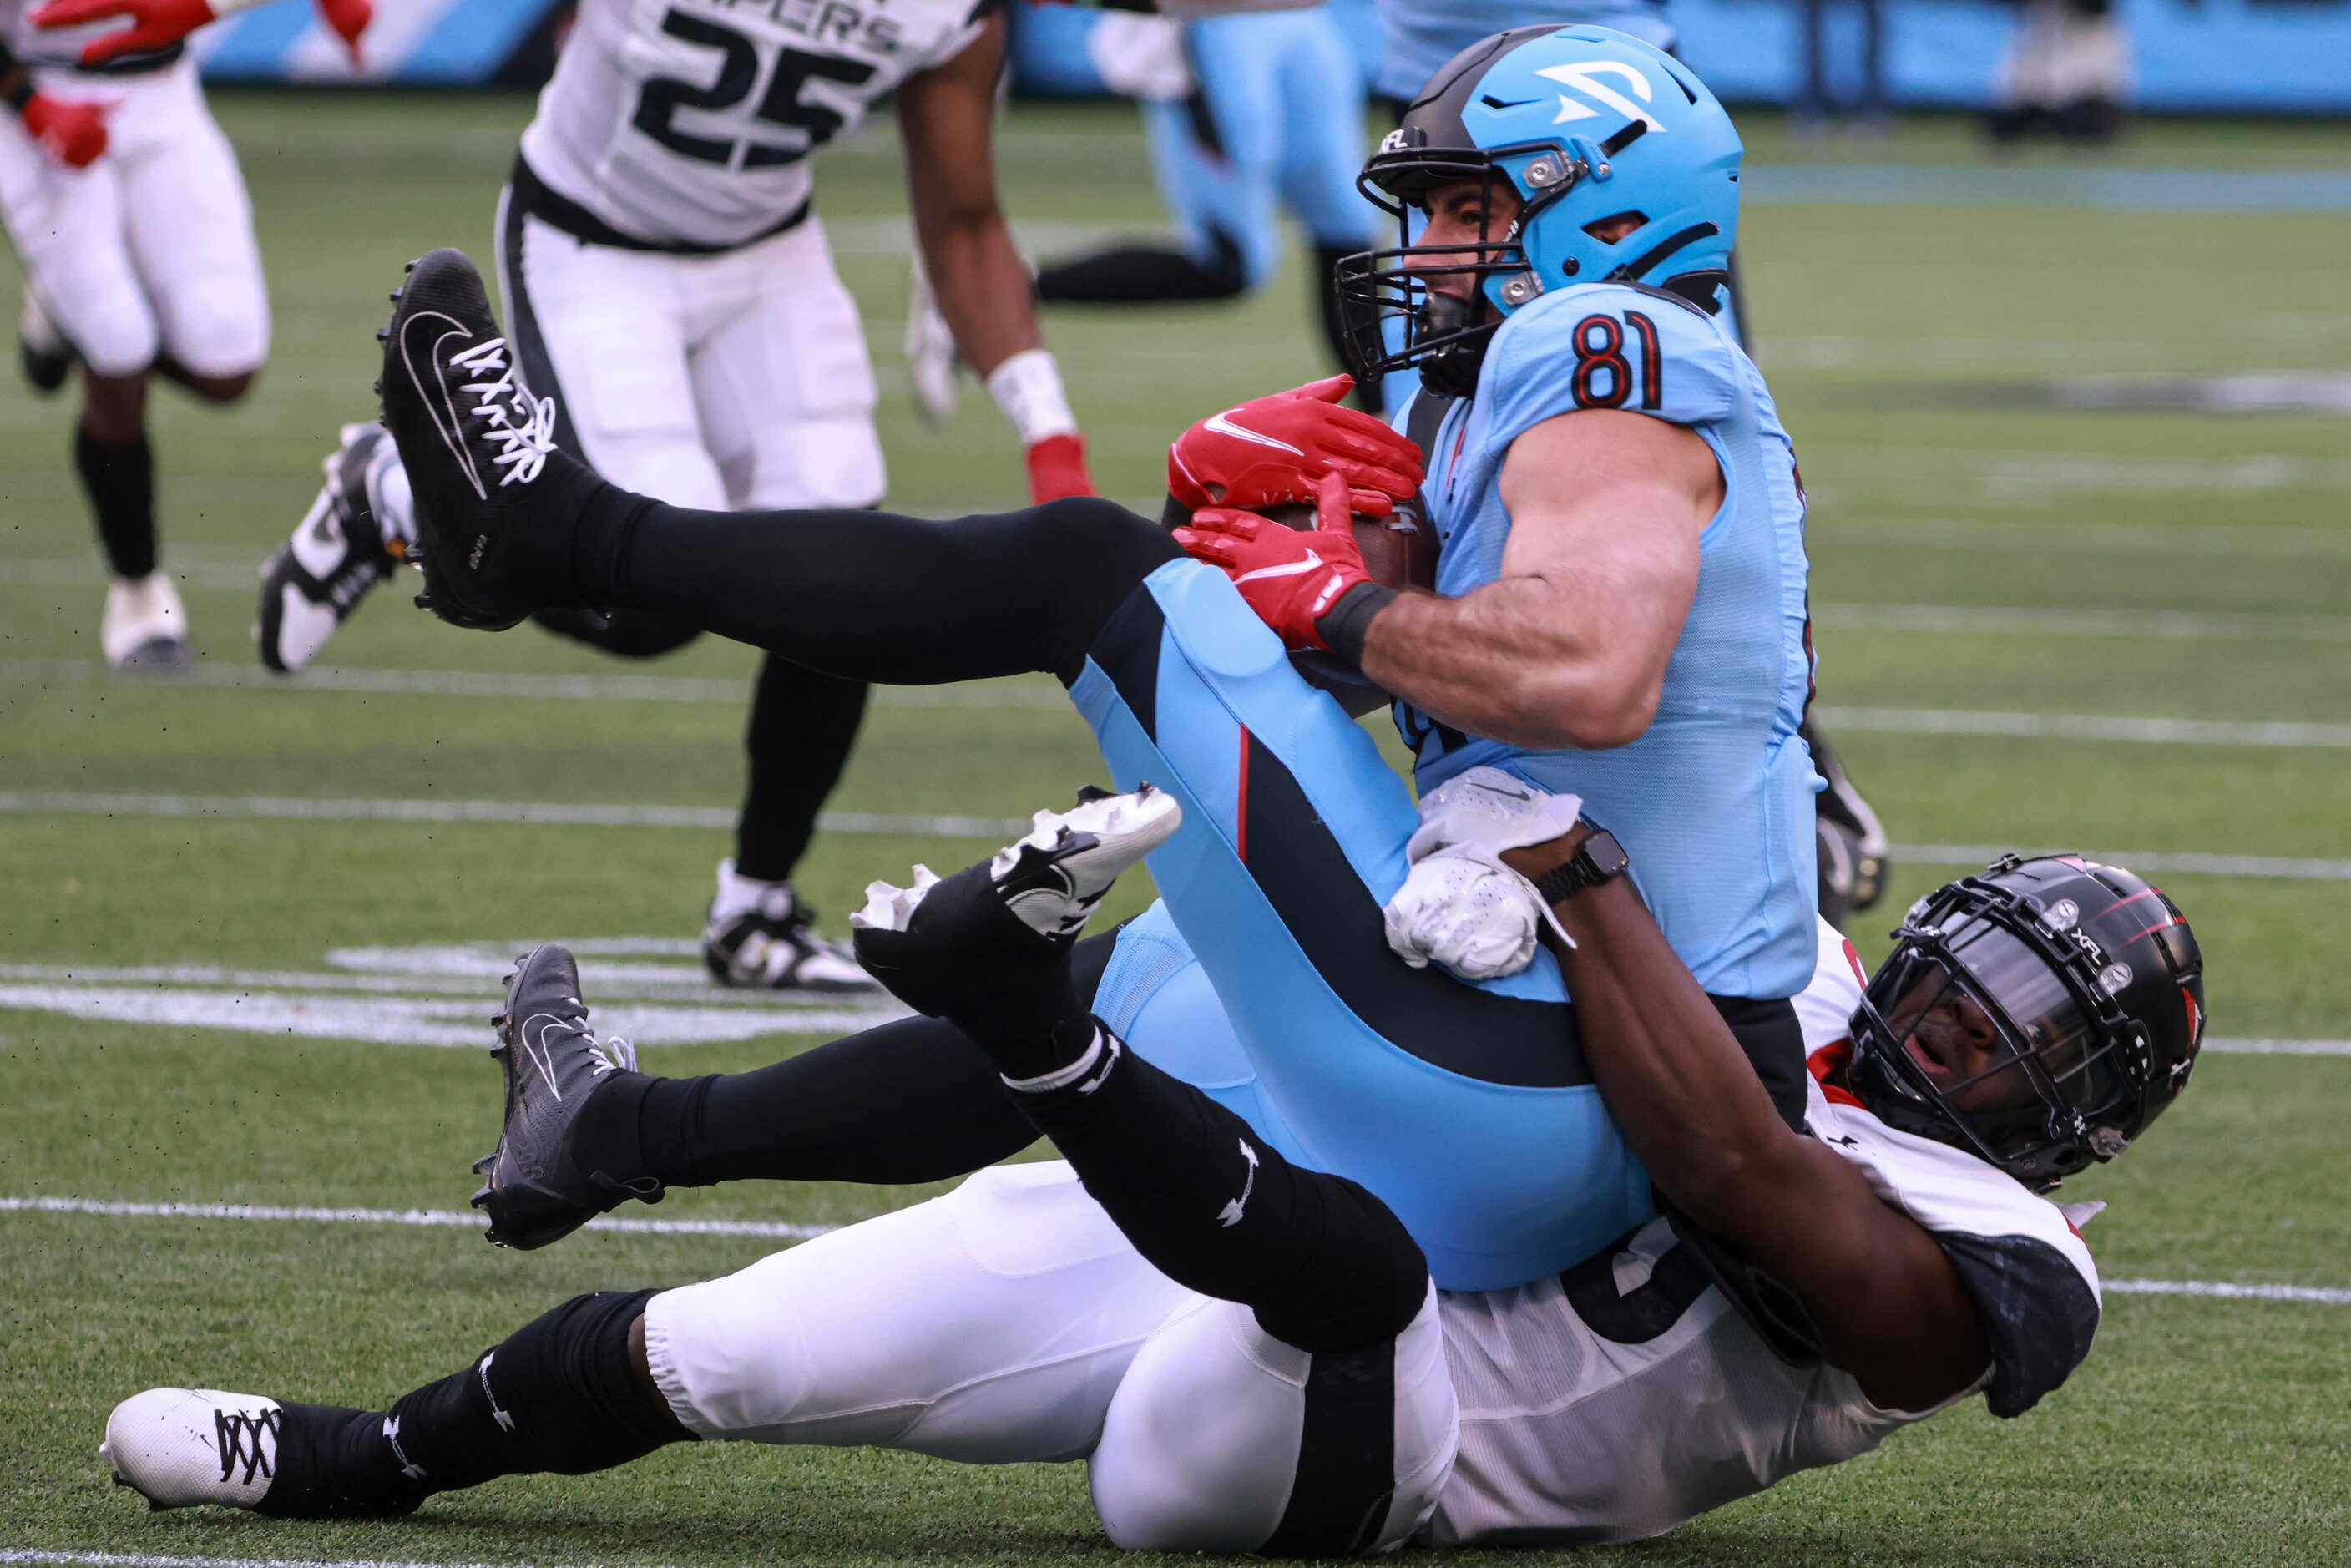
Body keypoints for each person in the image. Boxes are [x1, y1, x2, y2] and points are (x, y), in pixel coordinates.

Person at [351, 24, 1847, 1288]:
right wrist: (1272, 551)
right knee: (1139, 978)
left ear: (1597, 206)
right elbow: (1443, 672)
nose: (1427, 251)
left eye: (1466, 211)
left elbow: (1587, 674)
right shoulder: (1536, 389)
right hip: (1561, 1080)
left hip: (1607, 1067)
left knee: (1080, 568)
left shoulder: (1609, 343)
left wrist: (1325, 600)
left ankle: (561, 532)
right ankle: (613, 1129)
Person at [97, 781, 2206, 1552]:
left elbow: (1743, 1175)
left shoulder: (2006, 1263)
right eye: (1958, 990)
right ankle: (360, 1454)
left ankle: (1033, 1026)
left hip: (1362, 1440)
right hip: (1241, 1239)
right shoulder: (1796, 968)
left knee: (1354, 1256)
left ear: (2074, 1118)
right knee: (721, 1352)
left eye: (2011, 1045)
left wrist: (1590, 873)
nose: (1951, 1040)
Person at [55, 0, 1099, 992]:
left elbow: (963, 225)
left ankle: (754, 909)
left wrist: (1051, 441)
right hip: (591, 239)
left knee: (843, 568)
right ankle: (401, 489)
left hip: (767, 252)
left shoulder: (955, 16)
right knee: (643, 603)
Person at [0, 0, 336, 668]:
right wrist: (32, 104)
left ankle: (62, 313)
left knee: (227, 362)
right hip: (37, 91)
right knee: (118, 346)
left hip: (162, 90)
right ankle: (138, 594)